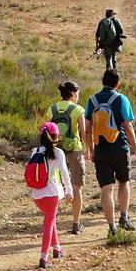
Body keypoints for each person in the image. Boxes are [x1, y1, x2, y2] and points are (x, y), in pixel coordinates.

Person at [87, 69, 136, 236]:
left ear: (102, 81)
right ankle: (124, 217)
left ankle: (111, 227)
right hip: (120, 147)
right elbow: (128, 126)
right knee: (124, 182)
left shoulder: (92, 100)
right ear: (117, 84)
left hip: (100, 150)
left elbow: (87, 129)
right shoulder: (121, 99)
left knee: (106, 188)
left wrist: (91, 150)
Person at [29, 122, 73, 269]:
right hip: (52, 193)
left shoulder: (35, 151)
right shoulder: (57, 153)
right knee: (48, 223)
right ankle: (44, 257)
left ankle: (57, 248)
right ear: (55, 137)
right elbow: (65, 174)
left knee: (50, 219)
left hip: (37, 194)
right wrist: (69, 191)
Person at [47, 81, 87, 234]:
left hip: (56, 150)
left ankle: (52, 223)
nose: (78, 96)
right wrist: (88, 149)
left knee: (56, 185)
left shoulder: (52, 109)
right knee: (77, 186)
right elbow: (83, 132)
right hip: (74, 150)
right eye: (77, 93)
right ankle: (76, 223)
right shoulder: (78, 110)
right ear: (72, 93)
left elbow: (47, 131)